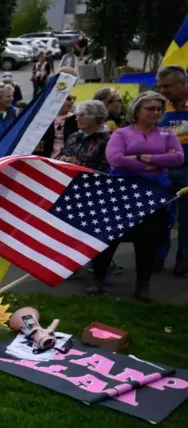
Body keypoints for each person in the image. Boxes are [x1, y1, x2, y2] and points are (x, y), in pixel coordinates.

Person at [90, 91, 184, 301]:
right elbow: (116, 159)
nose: (156, 112)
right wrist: (157, 162)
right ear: (137, 110)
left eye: (159, 109)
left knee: (148, 240)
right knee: (109, 236)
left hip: (154, 194)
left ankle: (143, 286)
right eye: (150, 108)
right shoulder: (121, 134)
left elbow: (178, 158)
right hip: (122, 192)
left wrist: (140, 156)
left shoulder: (167, 135)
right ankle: (97, 280)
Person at [155, 65, 188, 277]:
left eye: (167, 86)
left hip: (187, 172)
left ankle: (183, 262)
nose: (164, 91)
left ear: (182, 84)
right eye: (161, 87)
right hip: (163, 170)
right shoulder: (160, 108)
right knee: (159, 218)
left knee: (187, 219)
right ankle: (156, 259)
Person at [58, 100, 111, 170]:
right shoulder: (73, 137)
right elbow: (64, 153)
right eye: (77, 115)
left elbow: (107, 168)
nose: (77, 119)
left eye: (82, 115)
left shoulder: (108, 140)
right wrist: (62, 159)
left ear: (97, 117)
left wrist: (80, 165)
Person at [37, 91, 77, 159]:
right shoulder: (45, 119)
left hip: (66, 161)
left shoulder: (75, 119)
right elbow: (39, 141)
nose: (72, 101)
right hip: (47, 160)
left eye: (74, 98)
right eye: (69, 98)